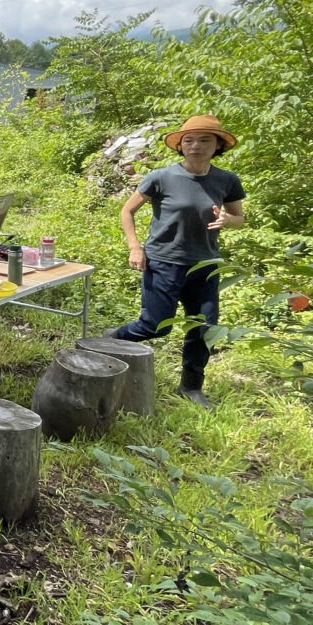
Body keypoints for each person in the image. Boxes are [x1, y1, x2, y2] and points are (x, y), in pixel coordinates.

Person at [109, 115, 245, 407]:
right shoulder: (161, 177)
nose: (196, 145)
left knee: (204, 328)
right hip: (163, 261)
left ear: (218, 145)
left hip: (205, 265)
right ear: (180, 146)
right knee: (156, 325)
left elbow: (240, 218)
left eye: (204, 140)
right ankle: (108, 342)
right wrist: (135, 247)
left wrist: (228, 220)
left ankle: (191, 387)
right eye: (189, 140)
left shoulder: (226, 180)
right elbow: (127, 211)